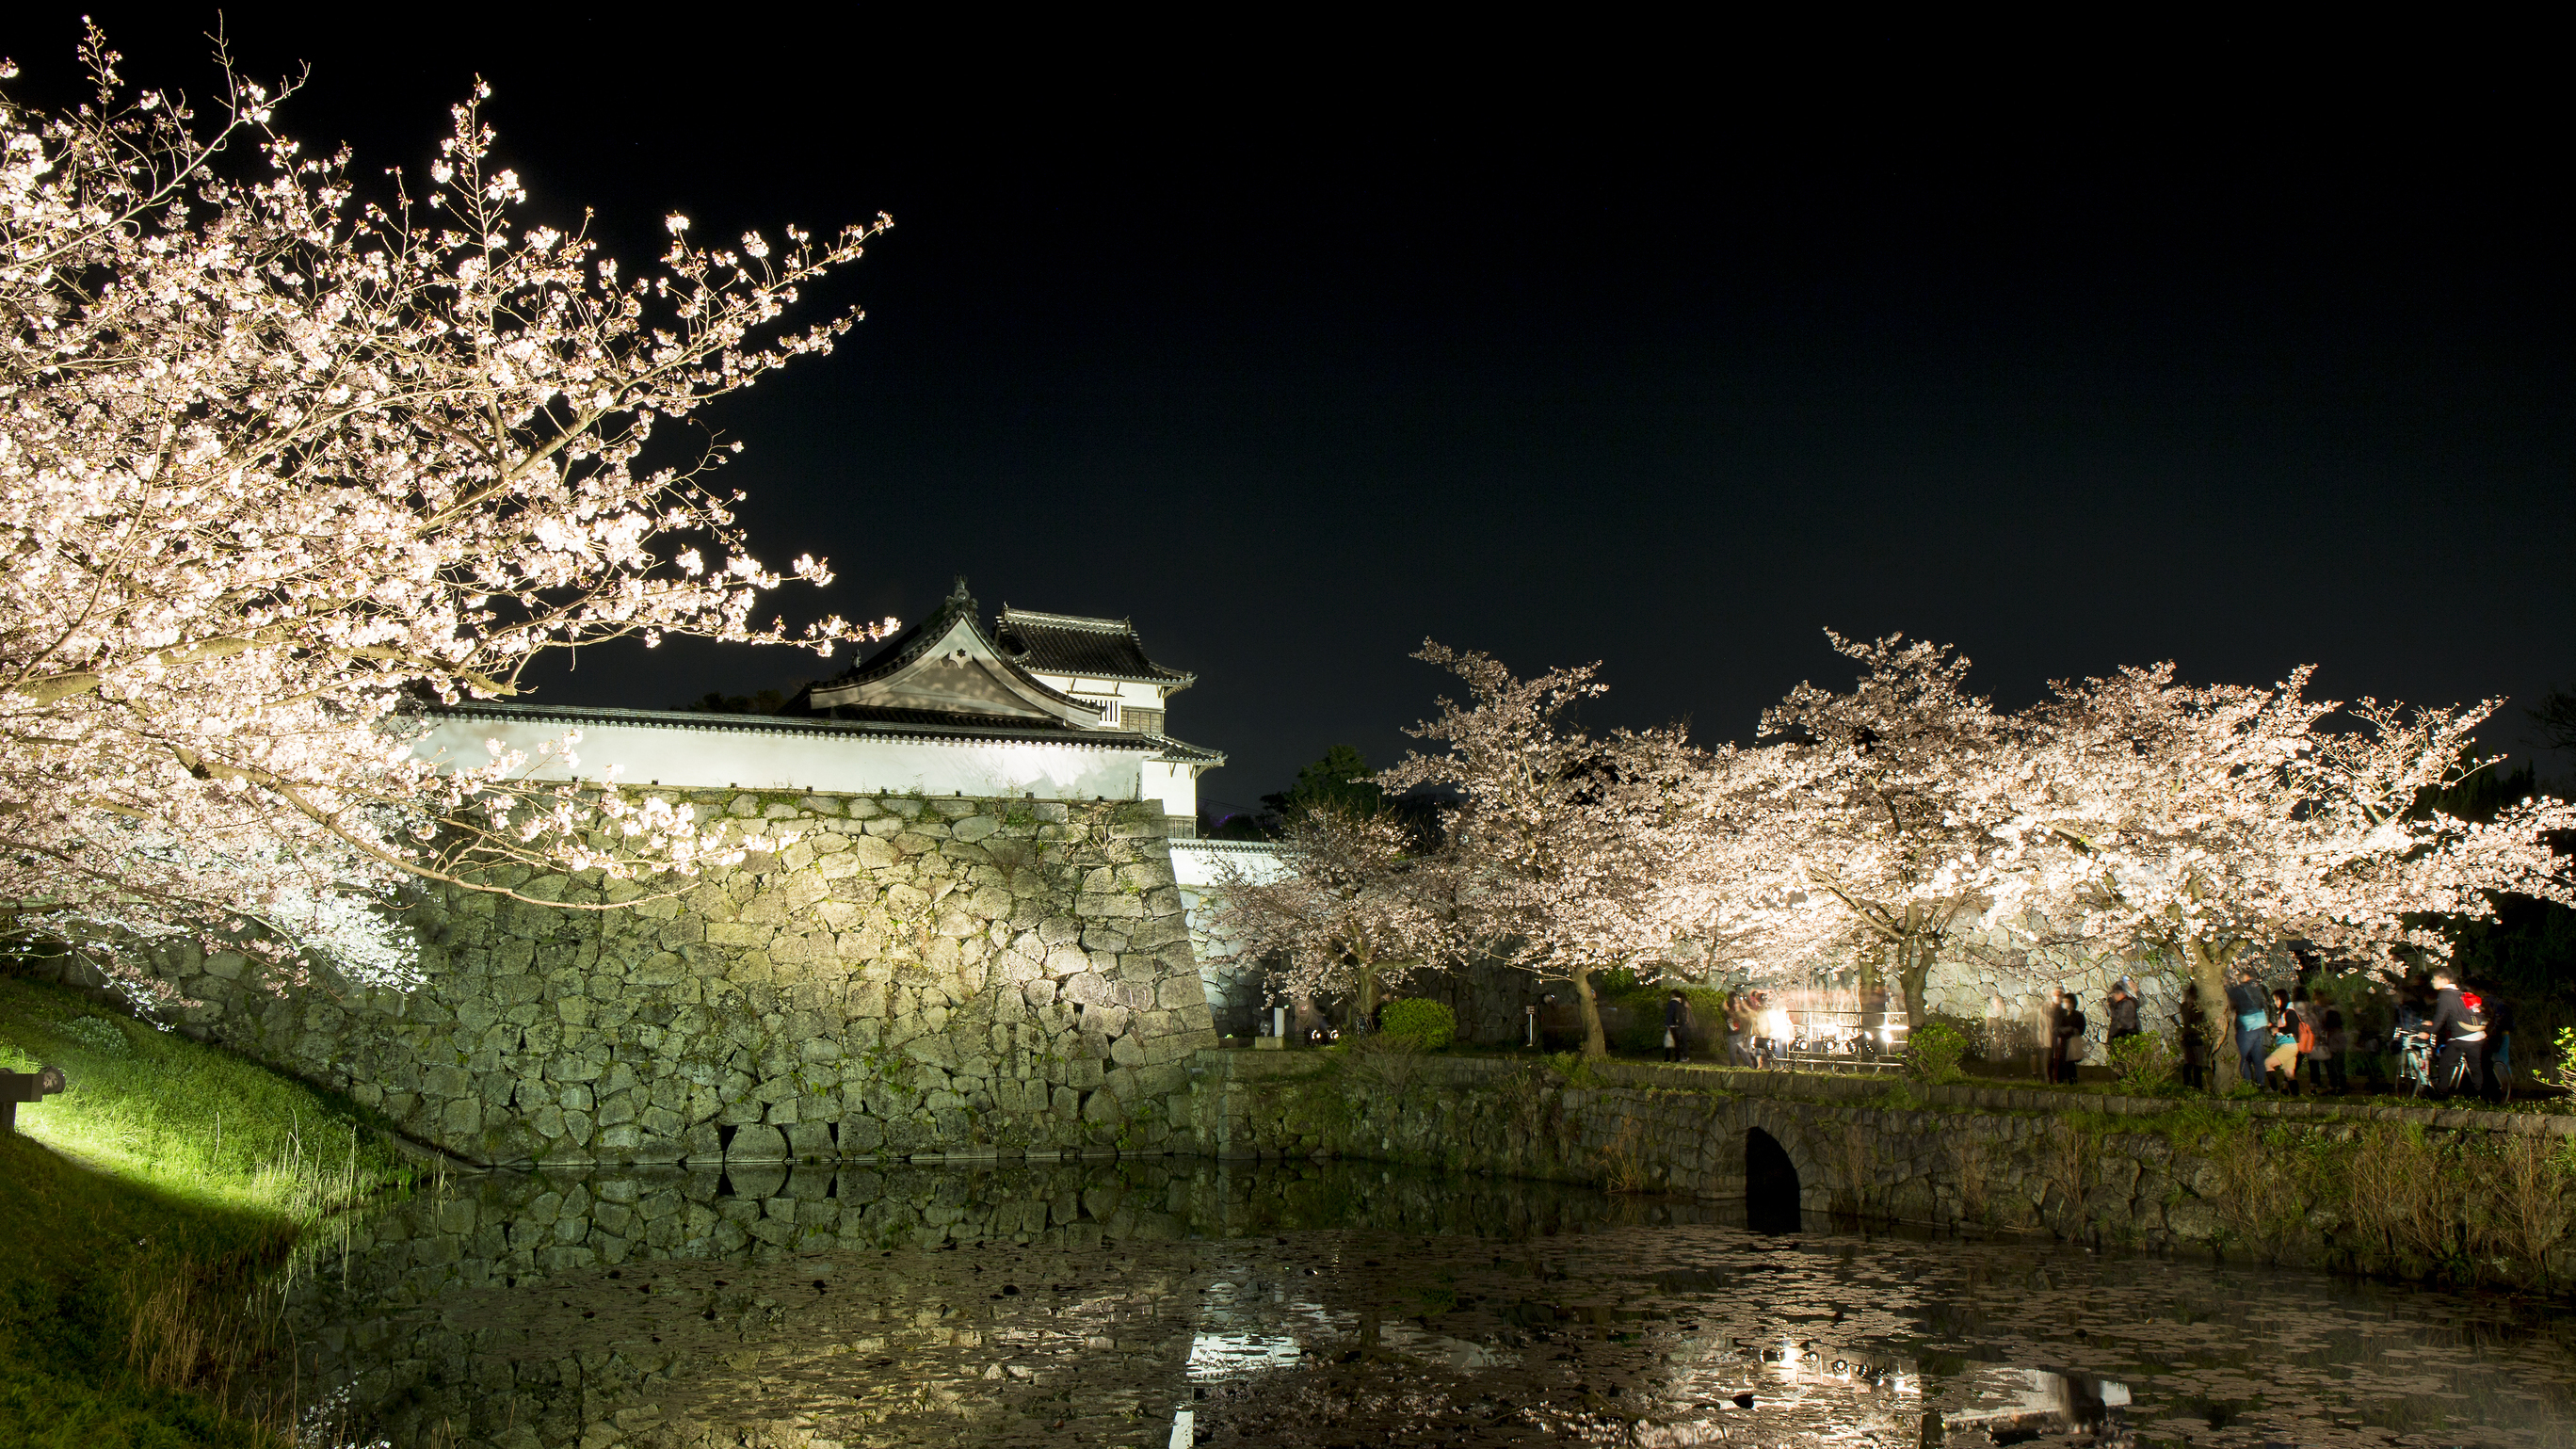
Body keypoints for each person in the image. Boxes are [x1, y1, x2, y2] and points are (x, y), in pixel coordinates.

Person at [2425, 968, 2487, 1097]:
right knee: (2475, 1065)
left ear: (2444, 980)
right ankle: (2479, 1094)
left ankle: (2442, 1094)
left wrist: (2429, 1032)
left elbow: (2441, 1017)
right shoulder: (2459, 993)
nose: (2432, 981)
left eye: (2435, 979)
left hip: (2462, 1037)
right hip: (2478, 1035)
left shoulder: (2445, 994)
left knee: (2444, 1063)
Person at [2226, 969, 2270, 1088]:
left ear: (2245, 976)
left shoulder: (2236, 990)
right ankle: (2261, 1083)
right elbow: (2267, 1003)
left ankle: (2247, 1082)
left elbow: (2231, 1006)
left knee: (2241, 1056)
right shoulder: (2261, 988)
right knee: (2258, 1057)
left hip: (2246, 1025)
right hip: (2260, 1024)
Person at [2179, 982, 2208, 1091]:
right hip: (2194, 1035)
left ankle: (2188, 1082)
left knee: (2189, 1061)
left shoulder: (2184, 1006)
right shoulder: (2196, 1009)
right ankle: (2197, 1084)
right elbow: (2198, 1021)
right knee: (2197, 1062)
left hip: (2187, 1035)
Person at [2319, 1003, 2349, 1094]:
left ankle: (2336, 1086)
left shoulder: (2332, 1032)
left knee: (2335, 1069)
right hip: (2335, 1051)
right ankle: (2337, 1086)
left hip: (2333, 1052)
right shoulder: (2338, 1031)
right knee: (2337, 1069)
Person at [1725, 991, 1759, 1068]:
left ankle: (1750, 1066)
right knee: (1732, 1052)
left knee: (1743, 1052)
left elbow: (1739, 1017)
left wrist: (1728, 1009)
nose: (1735, 1001)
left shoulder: (1740, 1009)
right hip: (1732, 1033)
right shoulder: (1731, 1008)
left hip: (1739, 1033)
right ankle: (1734, 1066)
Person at [1663, 990, 1691, 1064]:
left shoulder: (1672, 1003)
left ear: (1673, 995)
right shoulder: (1681, 1003)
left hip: (1671, 1025)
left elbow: (1670, 1014)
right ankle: (1677, 1058)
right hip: (1678, 1025)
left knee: (1668, 1041)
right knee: (1677, 1042)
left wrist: (1668, 1024)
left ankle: (1667, 1058)